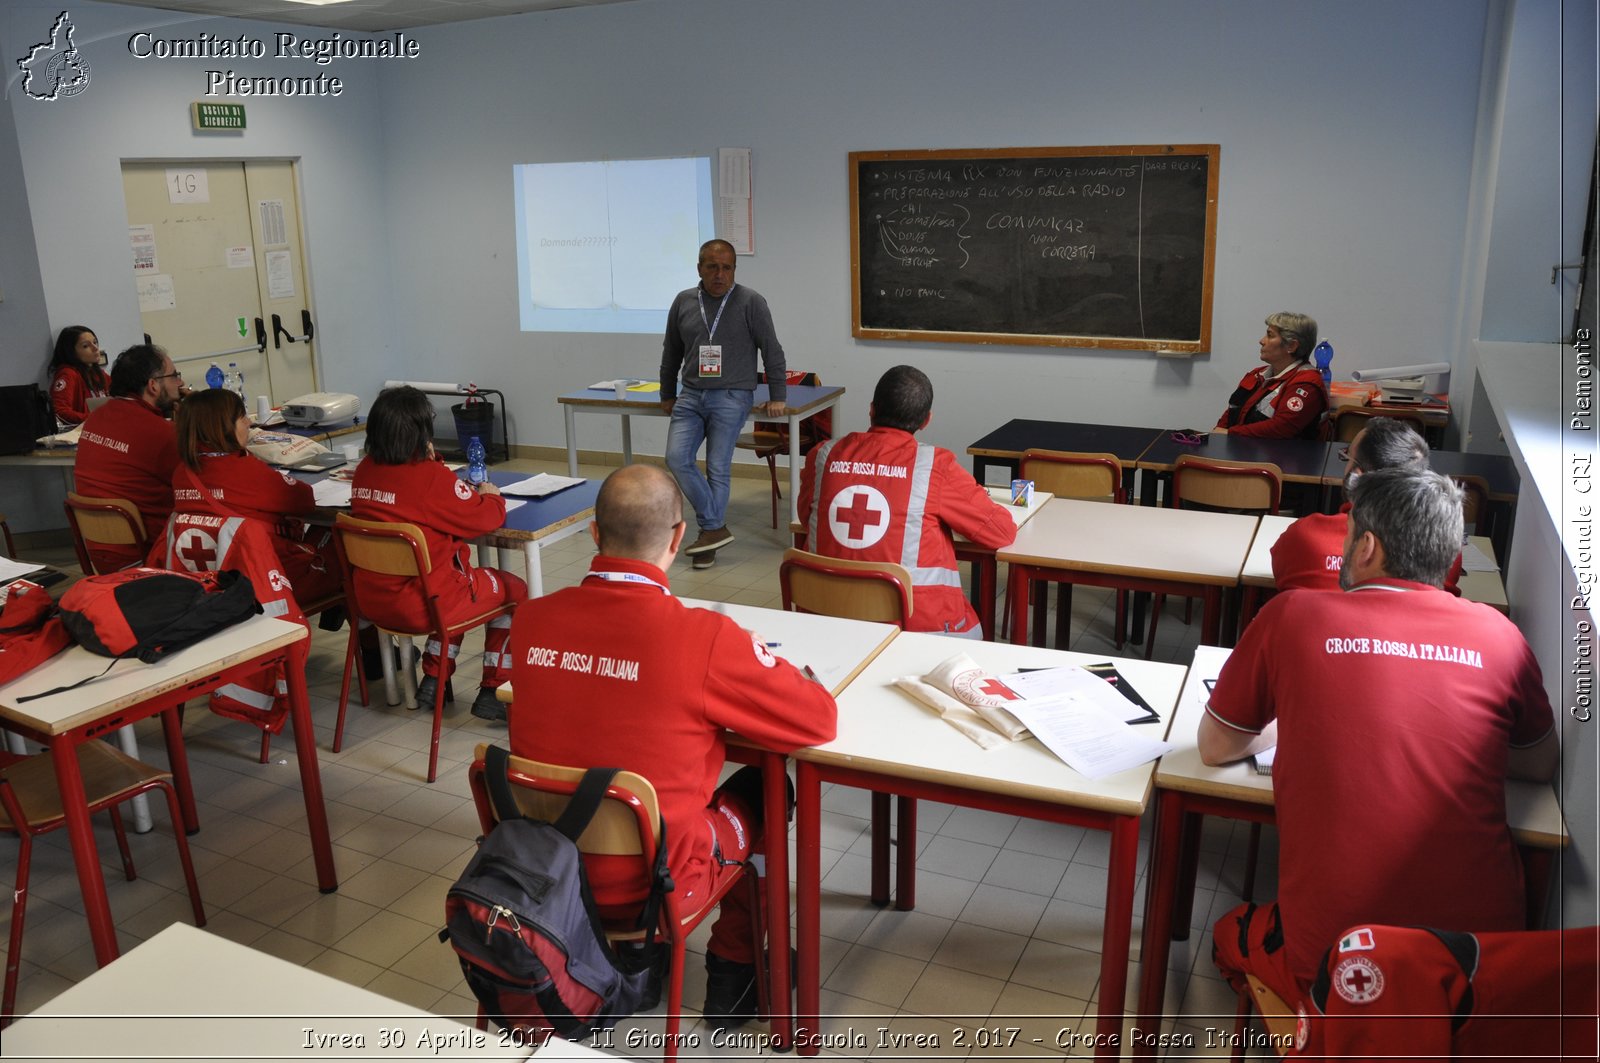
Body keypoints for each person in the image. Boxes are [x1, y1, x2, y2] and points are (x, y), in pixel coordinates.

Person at [1199, 466, 1557, 1011]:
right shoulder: (1501, 635)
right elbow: (1539, 764)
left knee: (1230, 933)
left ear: (1366, 546)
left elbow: (1215, 747)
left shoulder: (1293, 614)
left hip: (1338, 963)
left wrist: (1289, 721)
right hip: (1482, 967)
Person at [507, 463, 837, 1028]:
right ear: (679, 538)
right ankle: (733, 972)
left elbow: (597, 706)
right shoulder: (705, 639)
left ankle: (639, 962)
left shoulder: (531, 621)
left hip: (544, 871)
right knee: (765, 787)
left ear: (594, 533)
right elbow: (817, 719)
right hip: (655, 882)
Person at [796, 365, 1016, 637]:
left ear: (871, 409)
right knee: (975, 633)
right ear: (926, 420)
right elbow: (1001, 532)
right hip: (913, 625)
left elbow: (808, 518)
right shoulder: (935, 467)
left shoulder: (823, 455)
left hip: (825, 615)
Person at [350, 386, 524, 722]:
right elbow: (484, 519)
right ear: (422, 433)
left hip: (371, 602)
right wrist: (491, 495)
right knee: (512, 592)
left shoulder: (364, 471)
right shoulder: (430, 479)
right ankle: (495, 688)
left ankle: (434, 677)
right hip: (422, 606)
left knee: (449, 576)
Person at [660, 238, 787, 570]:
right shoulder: (684, 301)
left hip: (732, 394)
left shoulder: (750, 302)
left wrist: (778, 396)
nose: (719, 274)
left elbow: (771, 349)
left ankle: (708, 539)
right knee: (676, 457)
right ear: (699, 267)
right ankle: (714, 527)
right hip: (690, 394)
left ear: (734, 269)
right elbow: (671, 350)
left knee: (717, 466)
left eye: (726, 267)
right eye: (712, 267)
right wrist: (666, 393)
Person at [171, 388, 342, 606]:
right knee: (338, 534)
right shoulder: (244, 471)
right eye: (242, 417)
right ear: (224, 427)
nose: (248, 424)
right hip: (266, 580)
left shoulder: (181, 473)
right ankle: (364, 634)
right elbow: (304, 499)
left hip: (210, 583)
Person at [1270, 415, 1462, 594]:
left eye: (1347, 457)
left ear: (1358, 476)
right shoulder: (1444, 550)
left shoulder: (1305, 535)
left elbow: (1281, 580)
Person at [72, 343, 183, 571]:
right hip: (148, 555)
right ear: (153, 386)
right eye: (174, 376)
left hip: (98, 552)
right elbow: (202, 481)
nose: (180, 383)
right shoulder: (160, 432)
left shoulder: (96, 417)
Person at [1215, 312, 1327, 438]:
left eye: (1270, 335)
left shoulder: (1307, 383)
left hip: (1281, 456)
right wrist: (1217, 436)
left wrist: (1231, 433)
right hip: (1240, 450)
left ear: (1291, 346)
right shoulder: (1257, 374)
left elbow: (1283, 427)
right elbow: (1232, 411)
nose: (1262, 341)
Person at [47, 325, 110, 430]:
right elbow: (59, 411)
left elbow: (121, 393)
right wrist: (94, 418)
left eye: (95, 342)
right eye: (86, 346)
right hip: (81, 434)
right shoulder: (67, 374)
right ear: (71, 352)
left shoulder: (98, 373)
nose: (95, 348)